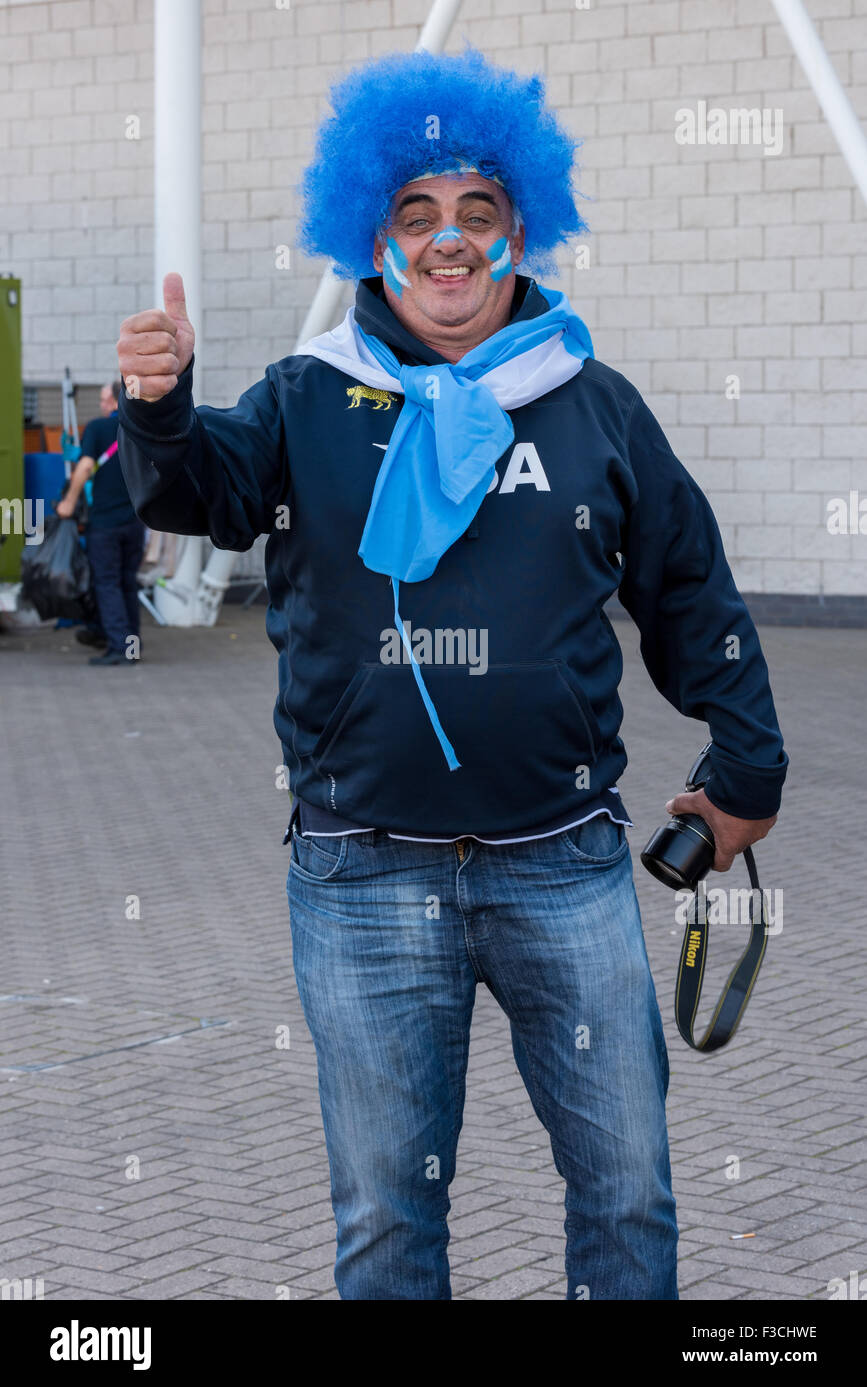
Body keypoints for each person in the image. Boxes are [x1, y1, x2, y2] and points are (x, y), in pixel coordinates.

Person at [115, 49, 788, 1300]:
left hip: (566, 866)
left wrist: (749, 762)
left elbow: (691, 587)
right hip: (362, 874)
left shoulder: (591, 402)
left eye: (476, 213)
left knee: (629, 1199)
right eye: (415, 215)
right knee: (384, 1228)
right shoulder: (310, 396)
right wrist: (160, 409)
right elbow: (203, 490)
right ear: (374, 239)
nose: (447, 243)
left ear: (520, 231)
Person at [56, 379, 145, 665]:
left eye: (104, 399)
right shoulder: (141, 429)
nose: (101, 404)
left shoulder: (98, 428)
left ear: (114, 401)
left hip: (105, 524)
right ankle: (132, 647)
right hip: (135, 522)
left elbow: (84, 467)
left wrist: (68, 502)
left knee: (107, 584)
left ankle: (120, 648)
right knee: (128, 584)